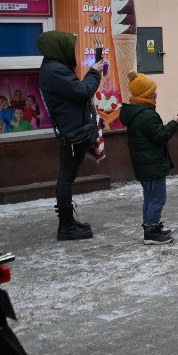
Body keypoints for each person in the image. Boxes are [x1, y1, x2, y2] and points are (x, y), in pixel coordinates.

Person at [38, 30, 104, 240]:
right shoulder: (54, 70)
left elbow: (76, 90)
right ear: (58, 47)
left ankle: (68, 223)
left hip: (73, 129)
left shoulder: (55, 68)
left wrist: (96, 62)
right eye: (69, 46)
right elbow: (82, 91)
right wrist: (94, 72)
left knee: (67, 177)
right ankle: (66, 226)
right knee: (66, 178)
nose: (72, 50)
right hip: (73, 132)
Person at [119, 71, 178, 245]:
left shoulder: (136, 112)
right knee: (157, 198)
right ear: (146, 95)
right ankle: (152, 232)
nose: (156, 94)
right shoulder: (147, 114)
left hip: (145, 164)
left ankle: (150, 227)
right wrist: (174, 123)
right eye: (152, 92)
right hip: (151, 164)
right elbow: (160, 136)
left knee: (150, 197)